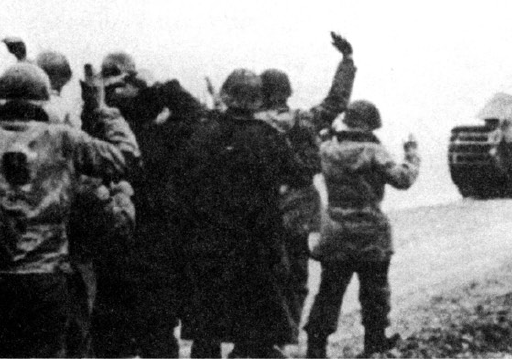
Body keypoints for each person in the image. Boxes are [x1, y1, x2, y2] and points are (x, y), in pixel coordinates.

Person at [0, 62, 139, 358]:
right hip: (45, 277)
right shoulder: (64, 139)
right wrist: (102, 108)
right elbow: (126, 158)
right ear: (43, 100)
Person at [179, 69, 311, 358]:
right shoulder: (269, 137)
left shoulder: (202, 133)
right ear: (257, 100)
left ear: (226, 95)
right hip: (258, 241)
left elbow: (183, 180)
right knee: (258, 322)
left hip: (209, 240)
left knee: (206, 325)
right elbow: (300, 175)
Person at [89, 51, 206, 358]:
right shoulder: (161, 132)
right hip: (153, 249)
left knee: (113, 337)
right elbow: (197, 116)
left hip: (114, 248)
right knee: (154, 336)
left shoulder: (94, 129)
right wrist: (158, 86)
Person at [304, 100, 420, 358]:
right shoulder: (374, 151)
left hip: (335, 231)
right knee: (375, 292)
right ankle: (375, 343)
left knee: (329, 292)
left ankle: (315, 346)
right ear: (371, 125)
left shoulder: (326, 150)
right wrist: (411, 153)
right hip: (370, 232)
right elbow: (403, 179)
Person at [255, 32, 356, 328]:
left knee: (261, 277)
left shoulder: (250, 125)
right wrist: (347, 61)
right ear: (287, 92)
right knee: (297, 277)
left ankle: (257, 339)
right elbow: (337, 101)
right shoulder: (305, 120)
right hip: (299, 209)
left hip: (259, 209)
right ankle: (286, 333)